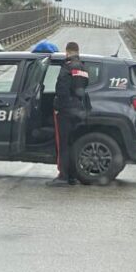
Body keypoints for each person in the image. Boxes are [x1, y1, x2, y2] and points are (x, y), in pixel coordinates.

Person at [47, 41, 89, 187]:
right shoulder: (83, 68)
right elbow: (83, 88)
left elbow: (62, 90)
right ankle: (72, 176)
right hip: (77, 110)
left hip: (65, 111)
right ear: (77, 51)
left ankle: (63, 176)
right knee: (72, 144)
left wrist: (58, 107)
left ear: (67, 52)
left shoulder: (67, 67)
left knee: (63, 144)